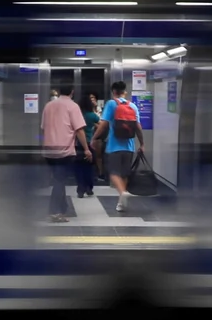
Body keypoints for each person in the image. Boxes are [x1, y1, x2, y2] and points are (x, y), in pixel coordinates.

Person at [39, 86, 89, 222]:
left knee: (58, 179)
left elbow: (43, 128)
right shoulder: (73, 106)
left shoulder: (48, 106)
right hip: (65, 150)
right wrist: (86, 148)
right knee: (60, 180)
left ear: (59, 91)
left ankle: (62, 208)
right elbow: (79, 130)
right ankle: (55, 212)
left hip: (49, 150)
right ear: (72, 91)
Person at [95, 86, 143, 216]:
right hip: (129, 146)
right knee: (124, 174)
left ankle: (122, 193)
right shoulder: (133, 106)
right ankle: (121, 203)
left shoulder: (111, 104)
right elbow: (138, 127)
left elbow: (103, 124)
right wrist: (142, 144)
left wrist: (94, 138)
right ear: (124, 92)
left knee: (113, 173)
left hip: (113, 146)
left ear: (113, 92)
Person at [75, 90, 101, 197]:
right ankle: (89, 188)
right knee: (89, 168)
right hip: (90, 144)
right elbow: (102, 125)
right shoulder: (92, 115)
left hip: (77, 145)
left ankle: (80, 190)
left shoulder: (77, 115)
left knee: (79, 168)